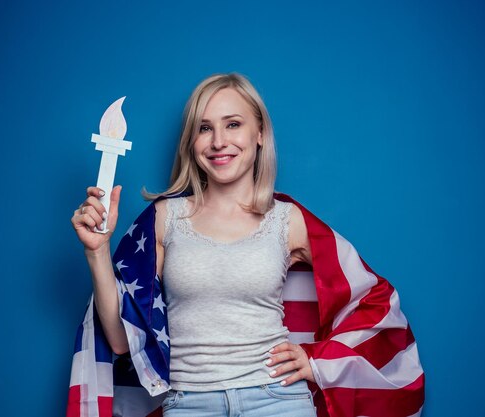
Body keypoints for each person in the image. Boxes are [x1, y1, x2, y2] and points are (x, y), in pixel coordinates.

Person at [69, 73, 425, 417]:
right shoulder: (163, 219)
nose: (219, 141)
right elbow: (119, 341)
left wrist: (316, 360)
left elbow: (372, 298)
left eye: (233, 124)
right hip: (190, 403)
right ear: (192, 142)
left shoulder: (289, 220)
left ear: (260, 133)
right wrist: (96, 250)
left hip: (278, 400)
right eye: (204, 128)